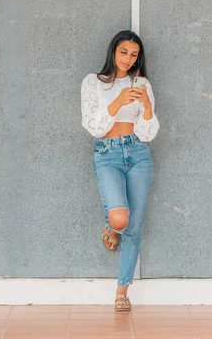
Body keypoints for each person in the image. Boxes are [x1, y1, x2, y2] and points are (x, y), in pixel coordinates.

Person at [80, 30, 159, 311]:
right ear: (113, 51)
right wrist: (118, 101)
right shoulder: (93, 82)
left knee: (134, 226)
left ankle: (122, 291)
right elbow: (92, 126)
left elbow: (148, 133)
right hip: (108, 153)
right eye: (123, 51)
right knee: (120, 219)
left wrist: (147, 106)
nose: (128, 58)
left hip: (138, 152)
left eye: (134, 54)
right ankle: (112, 226)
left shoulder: (143, 84)